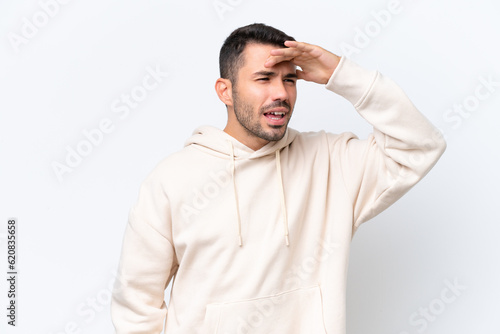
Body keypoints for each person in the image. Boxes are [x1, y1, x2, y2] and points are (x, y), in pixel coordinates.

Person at [111, 23, 446, 333]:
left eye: (289, 79)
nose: (281, 93)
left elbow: (419, 147)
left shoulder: (331, 162)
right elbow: (136, 306)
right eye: (264, 78)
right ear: (225, 91)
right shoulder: (171, 180)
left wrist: (339, 74)